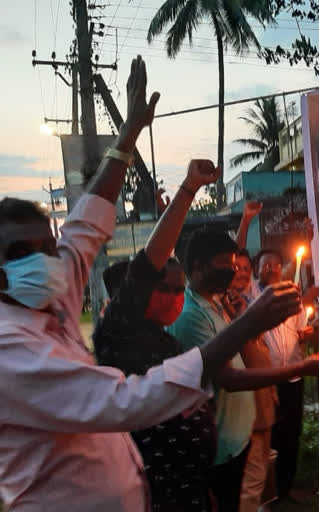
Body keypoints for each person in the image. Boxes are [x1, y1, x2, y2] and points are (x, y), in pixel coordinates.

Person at [0, 56, 304, 512]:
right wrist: (251, 324)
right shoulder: (13, 352)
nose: (44, 262)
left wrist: (127, 138)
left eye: (48, 247)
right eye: (20, 254)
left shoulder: (52, 299)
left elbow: (86, 224)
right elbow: (124, 401)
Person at [168, 229, 319, 512]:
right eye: (225, 264)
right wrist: (303, 366)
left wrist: (240, 320)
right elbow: (228, 379)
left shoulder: (219, 303)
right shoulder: (191, 315)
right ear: (197, 266)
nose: (232, 271)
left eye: (234, 264)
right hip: (218, 446)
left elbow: (253, 360)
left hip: (238, 436)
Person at [93, 160, 224, 511]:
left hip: (190, 490)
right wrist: (187, 191)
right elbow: (147, 265)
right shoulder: (118, 337)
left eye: (179, 290)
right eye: (164, 288)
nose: (175, 298)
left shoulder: (165, 341)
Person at [253, 248, 317, 505]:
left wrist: (306, 334)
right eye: (265, 265)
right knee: (270, 435)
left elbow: (302, 328)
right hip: (266, 378)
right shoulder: (251, 297)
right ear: (258, 269)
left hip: (293, 375)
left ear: (282, 269)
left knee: (292, 433)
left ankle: (286, 487)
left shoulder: (293, 298)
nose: (270, 269)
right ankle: (267, 492)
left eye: (275, 265)